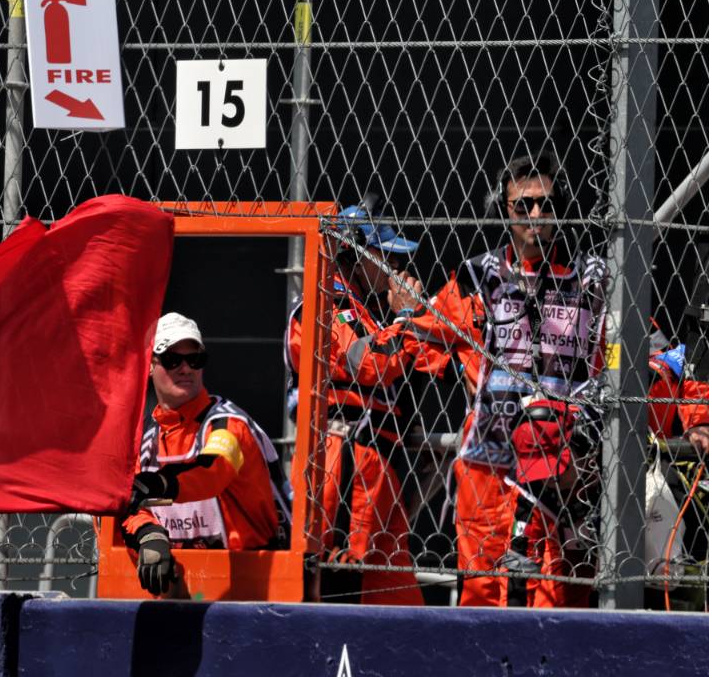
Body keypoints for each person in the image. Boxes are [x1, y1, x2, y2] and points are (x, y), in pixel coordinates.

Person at [424, 150, 609, 607]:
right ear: (504, 212)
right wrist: (460, 365)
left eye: (545, 204)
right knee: (483, 591)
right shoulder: (478, 276)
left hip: (562, 464)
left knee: (557, 595)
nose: (535, 216)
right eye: (522, 206)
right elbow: (421, 337)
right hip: (489, 463)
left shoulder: (595, 279)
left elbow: (652, 353)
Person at [284, 204, 426, 605]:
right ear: (354, 255)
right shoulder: (326, 304)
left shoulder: (367, 311)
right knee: (339, 579)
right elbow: (370, 365)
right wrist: (408, 316)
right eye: (388, 256)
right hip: (341, 460)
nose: (397, 266)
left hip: (376, 463)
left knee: (391, 591)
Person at [122, 312, 290, 597]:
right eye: (173, 359)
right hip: (185, 594)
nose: (186, 368)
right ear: (150, 365)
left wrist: (159, 484)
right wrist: (149, 535)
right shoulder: (147, 441)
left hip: (256, 589)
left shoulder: (228, 424)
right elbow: (129, 503)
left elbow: (212, 470)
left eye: (195, 359)